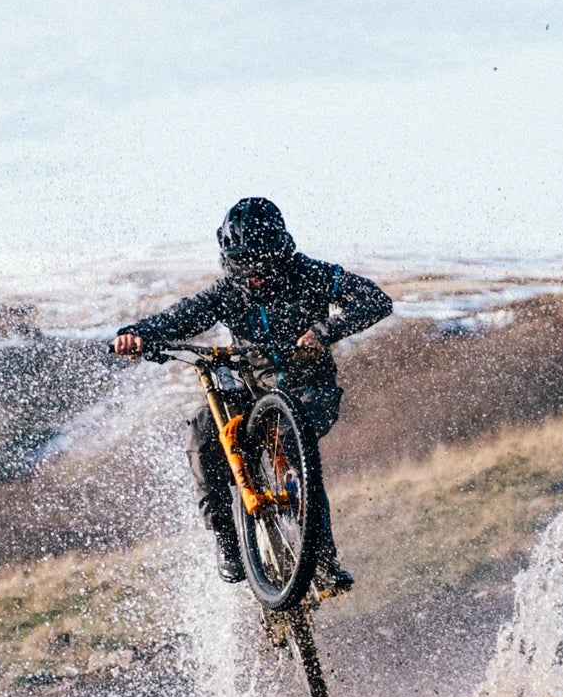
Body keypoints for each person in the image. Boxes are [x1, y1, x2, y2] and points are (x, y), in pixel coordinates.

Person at [112, 197, 392, 594]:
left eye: (262, 263)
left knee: (292, 442)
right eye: (243, 263)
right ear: (230, 259)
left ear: (280, 251)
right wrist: (138, 334)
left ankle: (324, 559)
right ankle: (227, 539)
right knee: (204, 430)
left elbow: (376, 300)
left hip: (310, 391)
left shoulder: (310, 274)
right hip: (254, 390)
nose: (254, 273)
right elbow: (180, 317)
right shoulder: (227, 292)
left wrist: (324, 332)